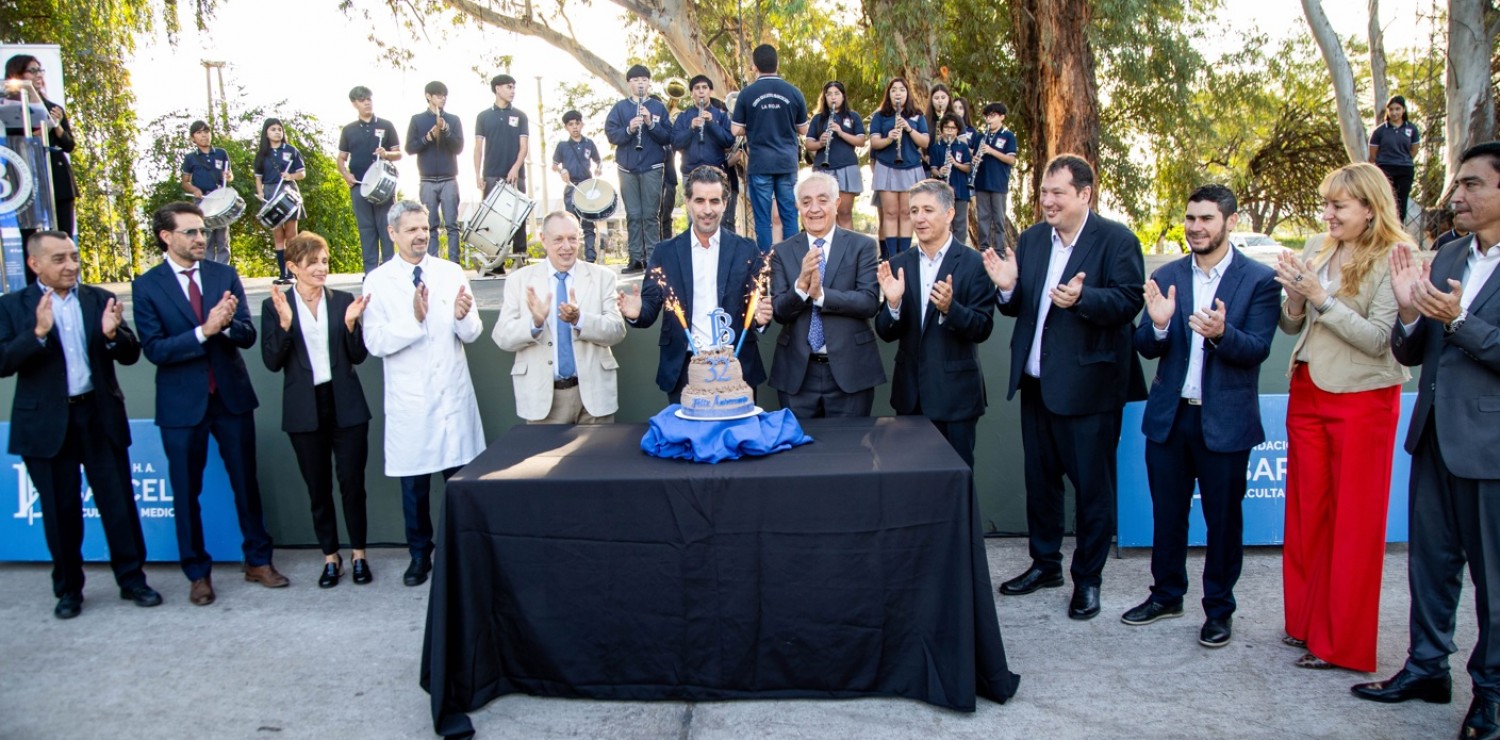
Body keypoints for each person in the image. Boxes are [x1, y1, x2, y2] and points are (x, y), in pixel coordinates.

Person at [1353, 141, 1500, 739]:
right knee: (1431, 565)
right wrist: (1413, 315)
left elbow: (1470, 335)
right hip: (1434, 438)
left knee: (1493, 579)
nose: (1456, 196)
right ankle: (1426, 668)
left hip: (1490, 448)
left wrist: (1459, 320)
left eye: (1471, 185)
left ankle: (1490, 694)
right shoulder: (1447, 255)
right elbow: (1411, 349)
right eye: (1456, 185)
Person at [985, 154, 1146, 621]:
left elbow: (1128, 299)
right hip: (1037, 385)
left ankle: (1088, 580)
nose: (1047, 200)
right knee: (1041, 484)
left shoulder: (1116, 240)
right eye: (1043, 192)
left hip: (1090, 390)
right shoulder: (1033, 239)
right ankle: (1045, 564)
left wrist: (1083, 298)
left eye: (1057, 192)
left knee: (1093, 490)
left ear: (1084, 195)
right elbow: (1020, 305)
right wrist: (1008, 290)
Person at [1121, 185, 1281, 648]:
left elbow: (1257, 349)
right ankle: (1167, 594)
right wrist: (1160, 324)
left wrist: (1220, 333)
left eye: (1206, 219)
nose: (1196, 228)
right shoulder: (1169, 274)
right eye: (1190, 219)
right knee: (1167, 515)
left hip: (1226, 421)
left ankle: (1219, 610)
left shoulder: (1258, 280)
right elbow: (1145, 345)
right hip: (1170, 420)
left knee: (1223, 521)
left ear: (1230, 222)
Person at [1272, 161, 1410, 671]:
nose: (1326, 214)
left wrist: (1320, 297)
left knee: (1354, 523)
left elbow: (1380, 340)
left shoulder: (1397, 257)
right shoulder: (1317, 248)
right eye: (1326, 204)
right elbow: (1292, 326)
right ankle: (1306, 623)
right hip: (1307, 391)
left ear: (1370, 210)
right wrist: (1293, 294)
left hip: (1363, 400)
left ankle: (1342, 644)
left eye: (1338, 206)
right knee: (1307, 517)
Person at [133, 202, 287, 606]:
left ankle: (258, 561)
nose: (201, 238)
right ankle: (197, 574)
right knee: (186, 492)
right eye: (191, 232)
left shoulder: (223, 275)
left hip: (231, 399)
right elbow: (155, 350)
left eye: (202, 231)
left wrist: (228, 325)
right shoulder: (147, 286)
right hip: (182, 408)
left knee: (245, 485)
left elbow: (246, 336)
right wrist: (205, 330)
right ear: (167, 237)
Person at [0, 231, 159, 619]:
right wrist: (36, 334)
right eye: (59, 259)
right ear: (35, 264)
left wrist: (110, 335)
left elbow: (130, 352)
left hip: (98, 416)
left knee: (118, 504)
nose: (70, 265)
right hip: (46, 425)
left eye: (73, 256)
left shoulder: (98, 299)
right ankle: (69, 589)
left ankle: (132, 580)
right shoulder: (12, 306)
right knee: (61, 511)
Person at [362, 201, 484, 587]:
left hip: (452, 395)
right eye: (412, 229)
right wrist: (414, 319)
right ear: (393, 233)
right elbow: (375, 341)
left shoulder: (450, 272)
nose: (421, 236)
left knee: (460, 484)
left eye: (425, 228)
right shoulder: (378, 281)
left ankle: (463, 553)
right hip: (410, 402)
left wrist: (463, 316)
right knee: (413, 488)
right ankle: (420, 555)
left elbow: (473, 332)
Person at [260, 231, 374, 589]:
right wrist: (284, 325)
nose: (322, 268)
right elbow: (271, 361)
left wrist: (353, 325)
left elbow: (358, 355)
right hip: (303, 410)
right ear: (293, 266)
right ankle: (330, 557)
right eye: (313, 263)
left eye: (325, 261)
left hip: (347, 406)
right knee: (318, 487)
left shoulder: (342, 302)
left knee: (353, 485)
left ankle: (358, 554)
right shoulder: (275, 306)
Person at [618, 166, 771, 401]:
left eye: (714, 201)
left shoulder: (747, 249)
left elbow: (757, 307)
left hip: (737, 368)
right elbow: (648, 310)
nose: (707, 210)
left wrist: (761, 320)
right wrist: (636, 312)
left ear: (725, 202)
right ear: (688, 202)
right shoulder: (664, 253)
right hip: (683, 370)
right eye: (699, 201)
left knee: (737, 438)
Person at [873, 179, 995, 465]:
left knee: (954, 485)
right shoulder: (899, 263)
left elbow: (982, 327)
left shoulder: (974, 264)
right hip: (910, 399)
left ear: (950, 213)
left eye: (928, 210)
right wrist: (893, 304)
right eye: (914, 211)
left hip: (956, 401)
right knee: (911, 487)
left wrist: (951, 309)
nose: (919, 218)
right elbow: (884, 332)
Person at [770, 171, 886, 418]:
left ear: (837, 203)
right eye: (806, 202)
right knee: (799, 454)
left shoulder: (862, 246)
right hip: (797, 375)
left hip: (850, 371)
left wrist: (821, 295)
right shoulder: (782, 252)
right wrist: (800, 288)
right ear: (798, 207)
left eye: (822, 200)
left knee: (850, 452)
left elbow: (868, 302)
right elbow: (779, 311)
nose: (814, 209)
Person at [494, 212, 627, 423]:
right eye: (558, 239)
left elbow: (617, 331)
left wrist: (580, 320)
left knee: (598, 457)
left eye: (572, 238)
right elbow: (502, 337)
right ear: (543, 239)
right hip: (543, 401)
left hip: (594, 400)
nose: (567, 246)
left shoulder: (603, 277)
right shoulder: (518, 281)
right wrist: (535, 323)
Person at [731, 44, 811, 254]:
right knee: (789, 214)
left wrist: (754, 123)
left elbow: (735, 129)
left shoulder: (747, 94)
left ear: (754, 66)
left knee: (763, 219)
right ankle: (793, 260)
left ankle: (766, 263)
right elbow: (803, 128)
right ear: (778, 63)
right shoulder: (793, 92)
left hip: (760, 163)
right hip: (786, 162)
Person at [606, 65, 672, 274]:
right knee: (633, 214)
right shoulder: (620, 108)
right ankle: (635, 258)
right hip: (627, 168)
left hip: (652, 165)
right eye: (636, 80)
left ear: (649, 82)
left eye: (644, 79)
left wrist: (650, 124)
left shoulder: (658, 108)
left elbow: (667, 136)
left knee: (651, 214)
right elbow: (612, 135)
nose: (640, 83)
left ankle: (653, 259)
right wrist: (629, 129)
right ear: (629, 84)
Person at [3, 55, 76, 237]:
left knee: (62, 233)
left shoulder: (53, 107)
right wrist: (41, 130)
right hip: (26, 176)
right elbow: (16, 140)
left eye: (40, 70)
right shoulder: (7, 107)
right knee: (31, 236)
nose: (38, 75)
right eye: (32, 70)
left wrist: (56, 125)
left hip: (56, 176)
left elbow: (68, 145)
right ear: (17, 74)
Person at [337, 86, 402, 273]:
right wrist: (345, 174)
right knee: (366, 231)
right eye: (362, 99)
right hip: (359, 186)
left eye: (369, 99)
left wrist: (387, 153)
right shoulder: (348, 130)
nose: (367, 102)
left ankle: (391, 272)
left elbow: (399, 153)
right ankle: (371, 274)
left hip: (383, 186)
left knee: (387, 228)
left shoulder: (386, 125)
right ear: (354, 104)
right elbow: (341, 158)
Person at [869, 78, 930, 260]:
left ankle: (903, 256)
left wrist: (909, 129)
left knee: (905, 212)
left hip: (911, 168)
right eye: (894, 90)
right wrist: (889, 138)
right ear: (888, 93)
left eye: (902, 89)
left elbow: (925, 142)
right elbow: (874, 142)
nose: (897, 93)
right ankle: (891, 257)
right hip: (886, 167)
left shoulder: (918, 116)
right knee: (890, 212)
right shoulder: (880, 116)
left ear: (907, 93)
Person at [474, 74, 529, 274]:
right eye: (509, 87)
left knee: (519, 216)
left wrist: (515, 168)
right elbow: (478, 148)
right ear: (498, 89)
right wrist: (478, 174)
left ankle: (521, 258)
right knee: (492, 219)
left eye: (514, 87)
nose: (512, 91)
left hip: (516, 174)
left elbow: (524, 147)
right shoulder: (483, 116)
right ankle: (495, 263)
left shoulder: (521, 116)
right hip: (491, 173)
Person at [406, 81, 465, 263]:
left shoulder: (453, 120)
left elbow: (458, 147)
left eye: (444, 95)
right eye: (438, 95)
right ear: (428, 96)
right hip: (427, 179)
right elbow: (410, 148)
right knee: (429, 225)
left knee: (452, 225)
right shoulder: (417, 120)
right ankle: (431, 263)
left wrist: (446, 130)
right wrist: (429, 137)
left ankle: (454, 264)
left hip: (449, 178)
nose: (442, 98)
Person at [672, 75, 734, 230]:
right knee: (694, 219)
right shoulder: (684, 117)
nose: (701, 92)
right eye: (697, 88)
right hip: (690, 173)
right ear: (692, 93)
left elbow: (729, 141)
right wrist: (691, 128)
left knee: (719, 219)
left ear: (710, 91)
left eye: (704, 88)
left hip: (716, 173)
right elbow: (676, 142)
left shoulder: (720, 115)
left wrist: (712, 124)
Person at [803, 81, 867, 231]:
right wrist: (821, 143)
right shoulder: (818, 119)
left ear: (843, 97)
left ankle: (847, 251)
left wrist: (841, 132)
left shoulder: (853, 117)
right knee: (824, 214)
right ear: (824, 97)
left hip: (846, 168)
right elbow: (809, 143)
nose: (833, 97)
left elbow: (861, 141)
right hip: (823, 169)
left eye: (836, 94)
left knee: (844, 213)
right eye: (829, 94)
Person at [252, 118, 306, 285]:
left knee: (291, 234)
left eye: (279, 129)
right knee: (277, 234)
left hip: (288, 190)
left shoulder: (291, 150)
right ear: (266, 133)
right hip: (270, 192)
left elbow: (302, 173)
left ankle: (294, 272)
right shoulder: (262, 154)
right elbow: (258, 178)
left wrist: (291, 176)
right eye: (273, 129)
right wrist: (260, 193)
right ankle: (283, 273)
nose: (277, 132)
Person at [180, 120, 234, 265]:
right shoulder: (190, 158)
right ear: (193, 138)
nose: (204, 136)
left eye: (206, 132)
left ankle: (223, 269)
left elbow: (229, 175)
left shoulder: (221, 153)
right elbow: (185, 182)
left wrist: (228, 177)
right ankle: (207, 270)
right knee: (206, 237)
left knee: (223, 238)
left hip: (220, 199)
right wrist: (195, 190)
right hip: (202, 200)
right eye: (199, 133)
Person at [552, 110, 604, 262]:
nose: (575, 127)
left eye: (577, 123)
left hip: (587, 188)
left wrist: (599, 168)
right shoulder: (562, 146)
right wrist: (562, 170)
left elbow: (598, 160)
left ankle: (590, 258)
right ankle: (572, 256)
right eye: (571, 124)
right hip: (571, 187)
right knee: (571, 224)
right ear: (566, 127)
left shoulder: (589, 143)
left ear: (582, 124)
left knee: (588, 223)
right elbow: (554, 165)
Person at [971, 103, 1019, 254]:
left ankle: (999, 250)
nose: (989, 119)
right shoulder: (980, 137)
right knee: (983, 218)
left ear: (1002, 117)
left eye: (993, 116)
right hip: (981, 182)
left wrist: (991, 151)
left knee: (998, 219)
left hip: (998, 183)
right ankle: (984, 248)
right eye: (987, 116)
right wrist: (974, 159)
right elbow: (973, 155)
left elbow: (1011, 160)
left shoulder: (1008, 136)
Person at [1369, 94, 1421, 224]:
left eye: (1397, 109)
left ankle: (1398, 227)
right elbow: (1373, 153)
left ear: (1403, 110)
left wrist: (1402, 159)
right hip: (1385, 168)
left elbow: (1414, 150)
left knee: (1401, 201)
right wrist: (1384, 163)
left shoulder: (1411, 129)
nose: (1394, 112)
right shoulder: (1380, 131)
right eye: (1391, 109)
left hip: (1405, 169)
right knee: (1384, 199)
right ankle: (1381, 226)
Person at [928, 114, 973, 246]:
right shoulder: (936, 147)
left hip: (960, 190)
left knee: (960, 224)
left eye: (953, 128)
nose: (949, 131)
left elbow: (968, 168)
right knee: (943, 222)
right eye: (947, 128)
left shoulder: (963, 147)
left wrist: (955, 163)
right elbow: (933, 169)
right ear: (941, 130)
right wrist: (940, 171)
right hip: (943, 191)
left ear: (957, 130)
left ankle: (959, 252)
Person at [924, 84, 953, 148]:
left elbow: (962, 144)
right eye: (936, 98)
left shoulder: (956, 119)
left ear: (948, 98)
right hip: (930, 156)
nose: (940, 101)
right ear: (931, 100)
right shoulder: (924, 119)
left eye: (943, 98)